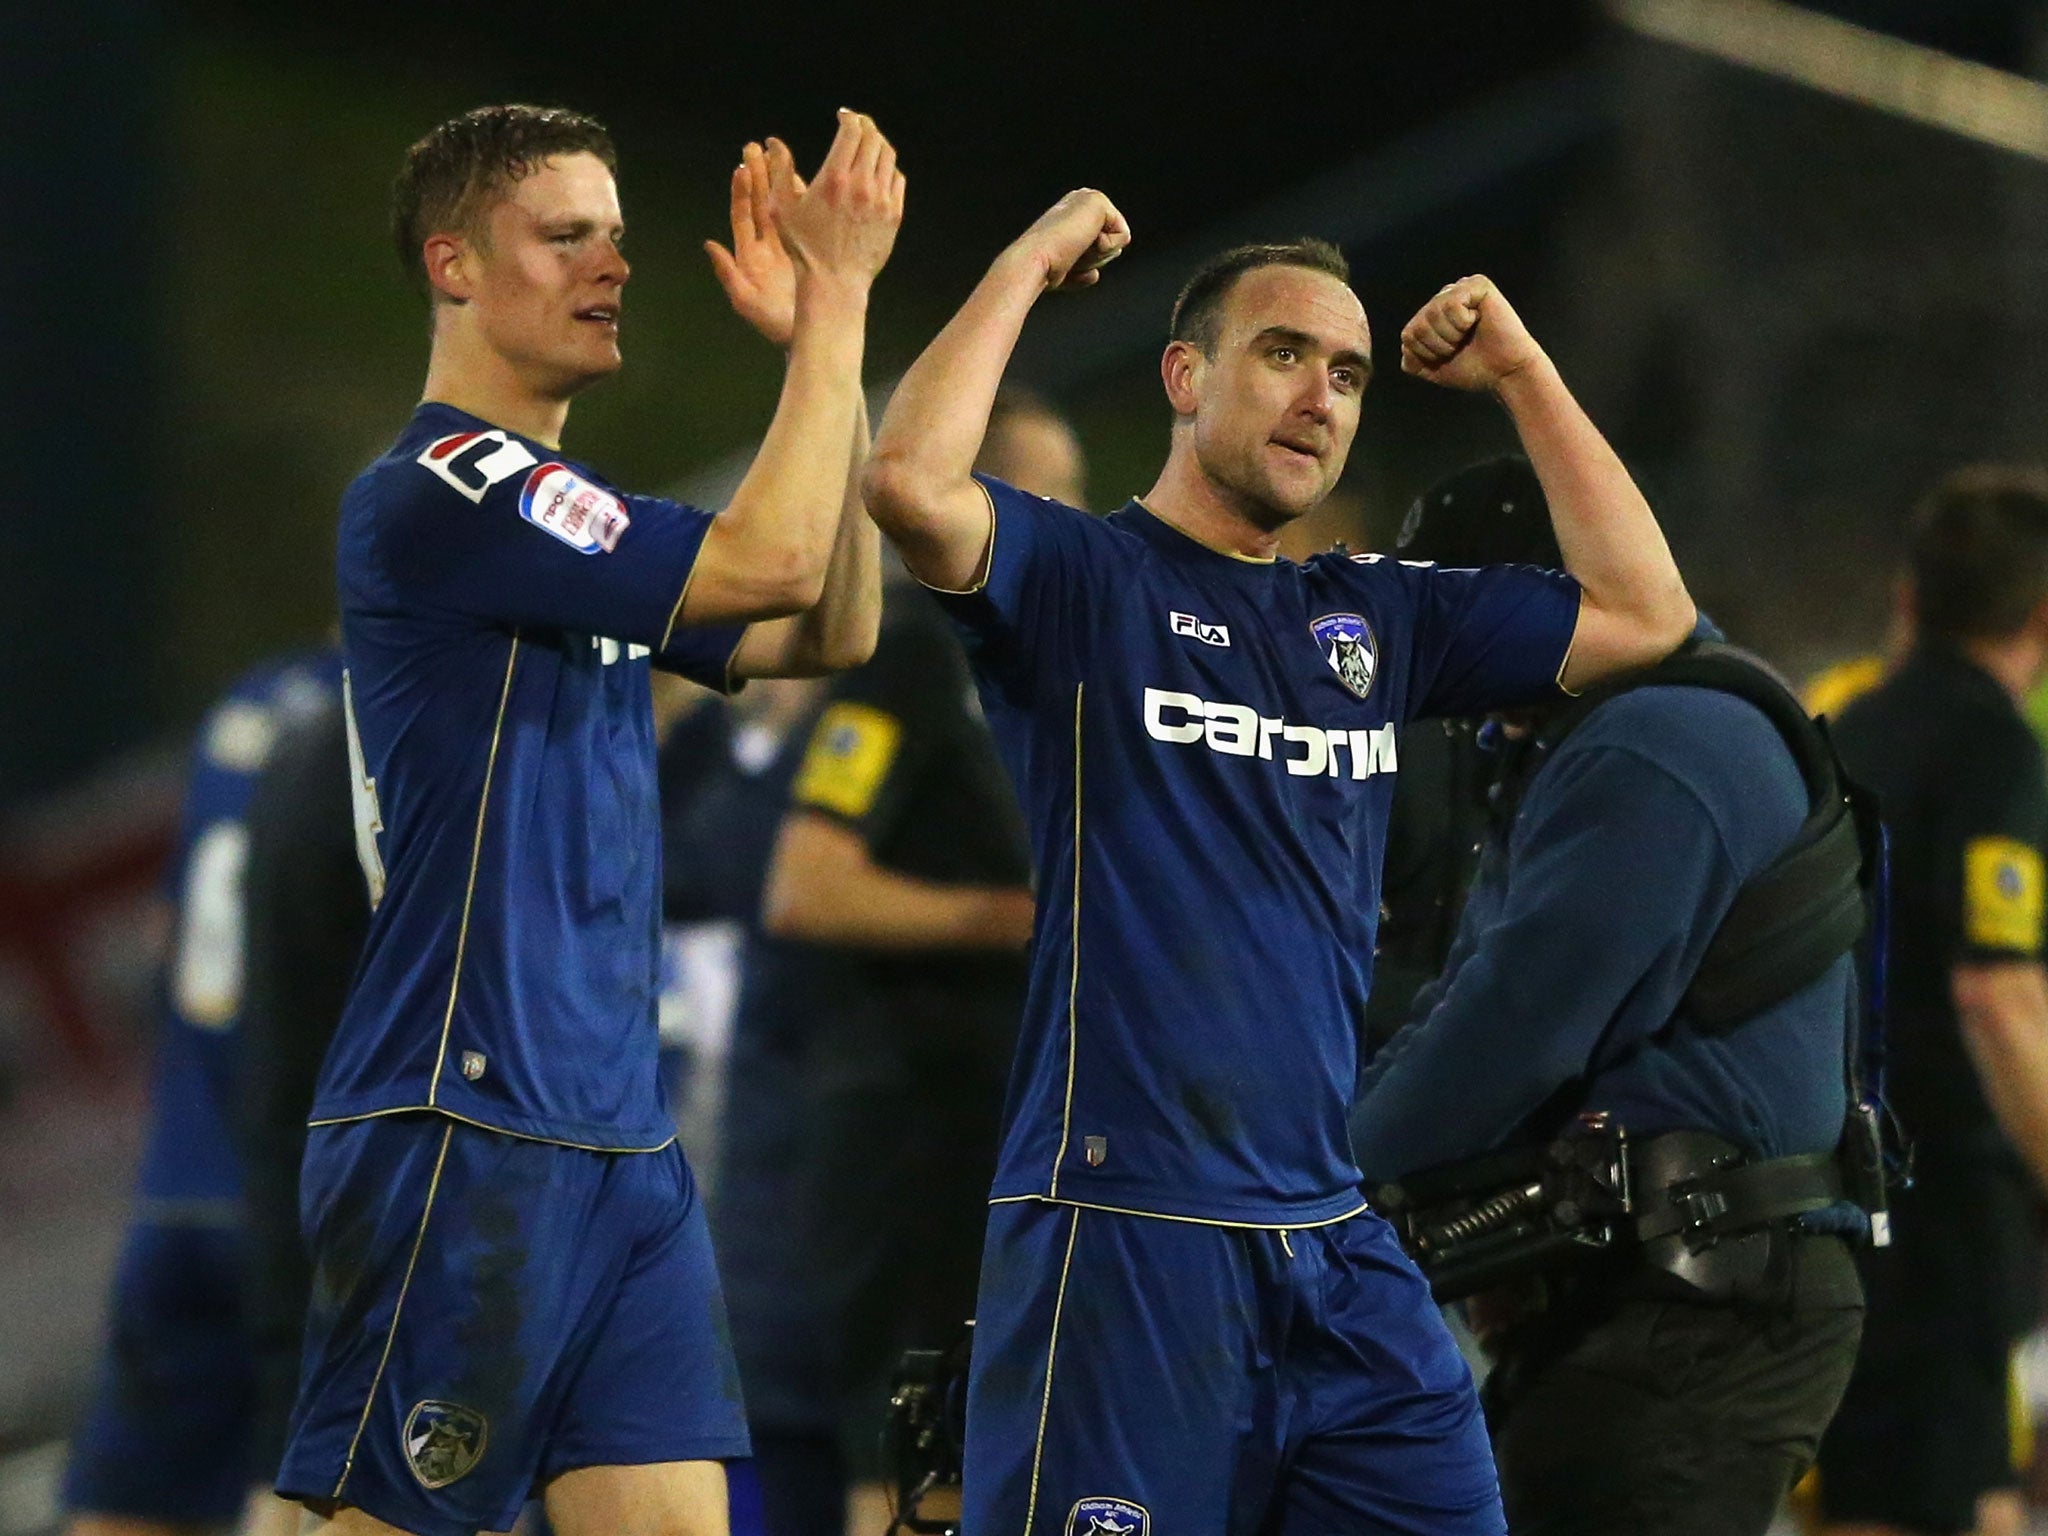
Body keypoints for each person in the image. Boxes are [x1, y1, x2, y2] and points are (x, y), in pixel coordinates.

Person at [860, 186, 1695, 1535]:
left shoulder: (1371, 614)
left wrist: (1524, 374)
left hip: (1332, 1237)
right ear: (1184, 377)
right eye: (1284, 354)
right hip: (1126, 1220)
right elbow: (906, 483)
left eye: (1349, 375)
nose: (1320, 398)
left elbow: (1646, 612)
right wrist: (1022, 262)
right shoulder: (1083, 581)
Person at [274, 104, 902, 1536]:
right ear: (453, 264)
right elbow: (775, 559)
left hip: (617, 1136)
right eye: (565, 237)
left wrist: (828, 343)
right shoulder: (449, 487)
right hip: (468, 1111)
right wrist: (837, 306)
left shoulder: (567, 517)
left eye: (614, 238)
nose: (611, 265)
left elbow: (831, 624)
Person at [1350, 456, 1868, 1536]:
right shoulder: (1581, 733)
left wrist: (1321, 1188)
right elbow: (1469, 997)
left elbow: (1514, 1026)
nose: (1429, 645)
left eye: (1451, 611)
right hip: (1649, 1296)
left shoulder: (1658, 740)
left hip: (1699, 1304)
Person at [742, 387, 1082, 1536]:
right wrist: (1014, 916)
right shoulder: (905, 657)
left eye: (1072, 494)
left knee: (991, 1465)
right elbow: (806, 881)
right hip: (907, 1128)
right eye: (1037, 492)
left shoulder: (1032, 666)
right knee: (913, 1472)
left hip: (993, 1120)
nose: (1062, 519)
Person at [1816, 468, 2048, 1536]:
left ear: (1908, 595)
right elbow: (1995, 990)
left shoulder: (1846, 728)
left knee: (1881, 1492)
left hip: (1833, 1175)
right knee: (1955, 1494)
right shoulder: (1993, 746)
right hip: (1947, 1191)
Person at [63, 650, 341, 1536]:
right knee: (332, 1495)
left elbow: (166, 934)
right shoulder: (406, 700)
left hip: (178, 1186)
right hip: (302, 1193)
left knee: (128, 1509)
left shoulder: (249, 701)